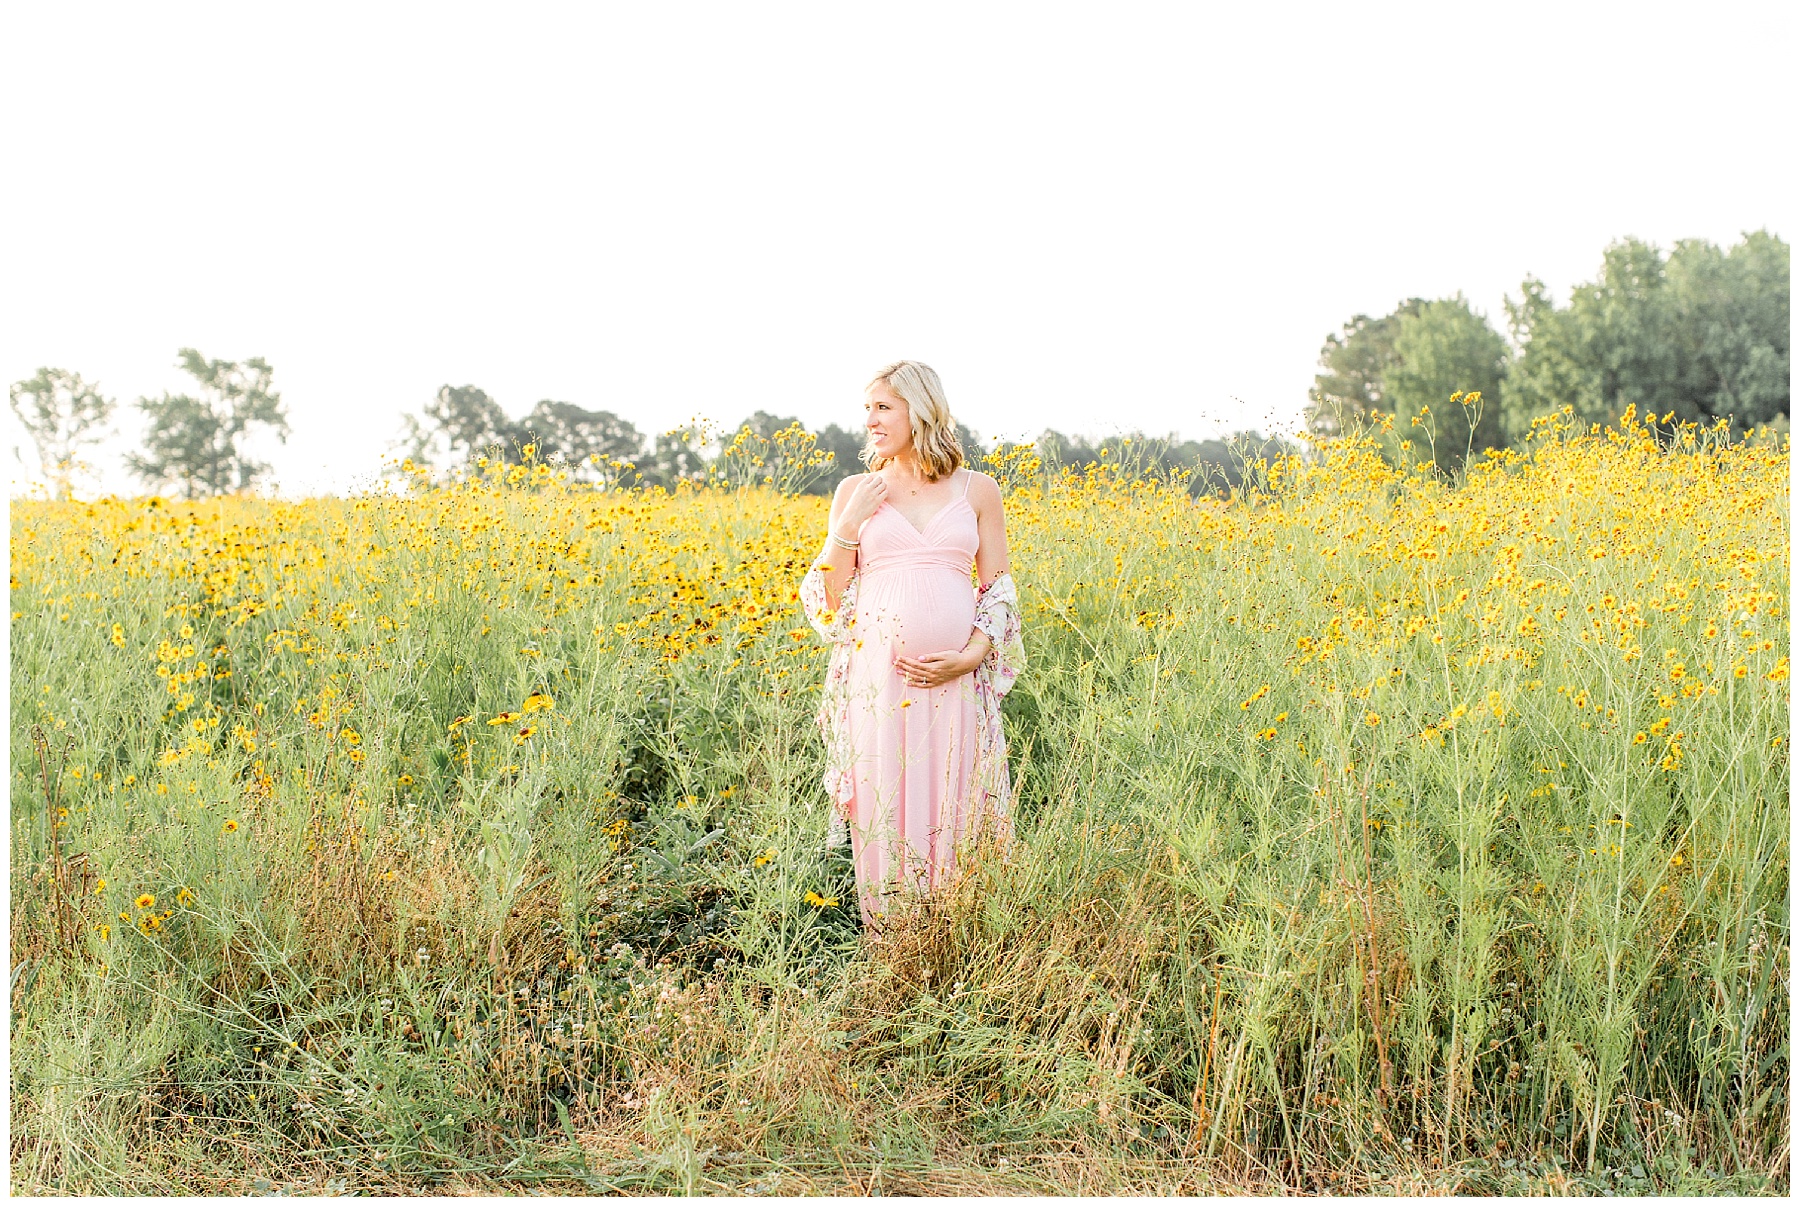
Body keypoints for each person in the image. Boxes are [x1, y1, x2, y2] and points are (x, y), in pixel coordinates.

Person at [800, 361, 1024, 928]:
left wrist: (970, 657)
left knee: (959, 810)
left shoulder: (978, 490)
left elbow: (997, 591)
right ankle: (892, 945)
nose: (870, 421)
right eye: (867, 408)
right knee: (886, 807)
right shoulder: (857, 491)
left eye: (882, 407)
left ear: (919, 410)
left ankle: (962, 945)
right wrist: (846, 524)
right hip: (878, 685)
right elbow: (827, 600)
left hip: (955, 683)